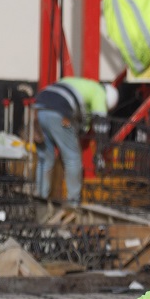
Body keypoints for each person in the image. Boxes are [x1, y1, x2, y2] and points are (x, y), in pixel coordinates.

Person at [32, 77, 118, 206]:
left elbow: (84, 118)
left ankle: (40, 199)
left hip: (39, 108)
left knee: (45, 158)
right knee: (72, 158)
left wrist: (82, 128)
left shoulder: (82, 84)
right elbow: (101, 125)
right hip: (60, 111)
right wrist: (100, 152)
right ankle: (73, 202)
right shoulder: (99, 93)